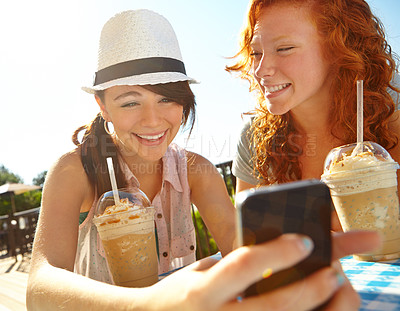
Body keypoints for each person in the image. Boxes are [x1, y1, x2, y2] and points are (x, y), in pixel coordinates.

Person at [27, 8, 380, 311]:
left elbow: (239, 246)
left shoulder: (195, 171)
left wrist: (297, 267)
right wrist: (149, 304)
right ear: (102, 106)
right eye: (130, 102)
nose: (153, 121)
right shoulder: (74, 170)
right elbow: (39, 286)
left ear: (185, 101)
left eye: (166, 99)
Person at [228, 0, 400, 230]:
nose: (261, 70)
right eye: (256, 53)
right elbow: (245, 238)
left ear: (338, 47)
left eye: (284, 49)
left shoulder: (389, 107)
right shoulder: (255, 138)